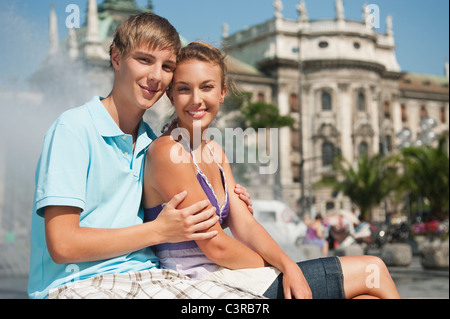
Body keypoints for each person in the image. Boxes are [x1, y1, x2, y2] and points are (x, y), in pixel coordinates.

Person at [143, 42, 401, 299]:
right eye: (184, 89)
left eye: (207, 87)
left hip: (233, 275)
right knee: (372, 269)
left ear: (222, 93)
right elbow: (215, 247)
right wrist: (283, 266)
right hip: (203, 284)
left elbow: (245, 225)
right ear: (171, 95)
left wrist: (288, 265)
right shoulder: (168, 152)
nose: (196, 99)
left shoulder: (214, 152)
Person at [28, 13, 255, 299]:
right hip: (80, 283)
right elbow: (62, 245)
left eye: (167, 66)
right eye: (144, 60)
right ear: (116, 58)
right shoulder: (73, 128)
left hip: (153, 278)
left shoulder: (154, 141)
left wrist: (224, 203)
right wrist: (159, 231)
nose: (155, 76)